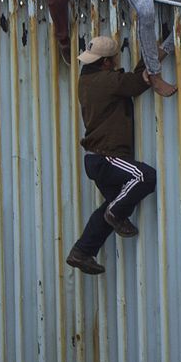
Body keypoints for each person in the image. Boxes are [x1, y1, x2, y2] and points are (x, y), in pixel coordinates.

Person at [65, 35, 156, 275]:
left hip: (95, 159)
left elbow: (126, 82)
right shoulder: (108, 81)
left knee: (114, 204)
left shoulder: (85, 81)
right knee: (144, 177)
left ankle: (82, 251)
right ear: (106, 62)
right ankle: (115, 213)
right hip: (107, 157)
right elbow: (135, 84)